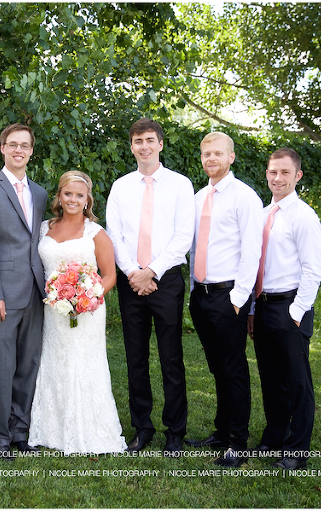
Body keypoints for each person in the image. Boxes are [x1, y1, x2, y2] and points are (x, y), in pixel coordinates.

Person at [105, 118, 195, 456]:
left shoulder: (180, 185)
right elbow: (115, 235)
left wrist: (152, 271)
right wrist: (133, 272)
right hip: (132, 280)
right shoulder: (121, 186)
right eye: (138, 140)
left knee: (172, 357)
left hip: (166, 277)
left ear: (160, 144)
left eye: (150, 140)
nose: (144, 146)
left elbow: (183, 236)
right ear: (132, 146)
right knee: (135, 357)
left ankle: (175, 432)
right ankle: (142, 428)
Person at [28, 171, 127, 455]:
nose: (72, 199)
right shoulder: (44, 228)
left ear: (87, 200)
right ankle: (51, 430)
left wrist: (87, 298)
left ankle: (93, 431)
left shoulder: (95, 232)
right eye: (67, 193)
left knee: (85, 364)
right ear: (59, 196)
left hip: (87, 312)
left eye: (79, 195)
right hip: (52, 311)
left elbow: (109, 276)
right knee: (54, 362)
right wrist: (60, 298)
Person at [0, 123, 47, 460]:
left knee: (28, 364)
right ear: (2, 148)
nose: (19, 150)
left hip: (36, 293)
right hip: (3, 295)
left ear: (31, 150)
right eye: (12, 144)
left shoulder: (41, 193)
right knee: (2, 365)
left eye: (25, 145)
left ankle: (20, 433)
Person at [188, 131, 262, 467]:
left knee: (233, 370)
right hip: (200, 295)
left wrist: (239, 299)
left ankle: (237, 442)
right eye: (206, 154)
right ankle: (220, 431)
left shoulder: (245, 197)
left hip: (227, 296)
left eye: (218, 153)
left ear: (231, 157)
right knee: (217, 368)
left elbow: (252, 250)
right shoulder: (198, 197)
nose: (211, 159)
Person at [248, 148, 321, 471]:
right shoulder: (264, 215)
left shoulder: (304, 217)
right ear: (266, 174)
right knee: (270, 379)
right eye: (272, 172)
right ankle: (274, 437)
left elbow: (313, 270)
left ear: (297, 176)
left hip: (290, 307)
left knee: (297, 382)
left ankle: (296, 449)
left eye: (284, 173)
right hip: (263, 307)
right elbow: (253, 265)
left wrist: (297, 312)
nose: (277, 178)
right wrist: (252, 309)